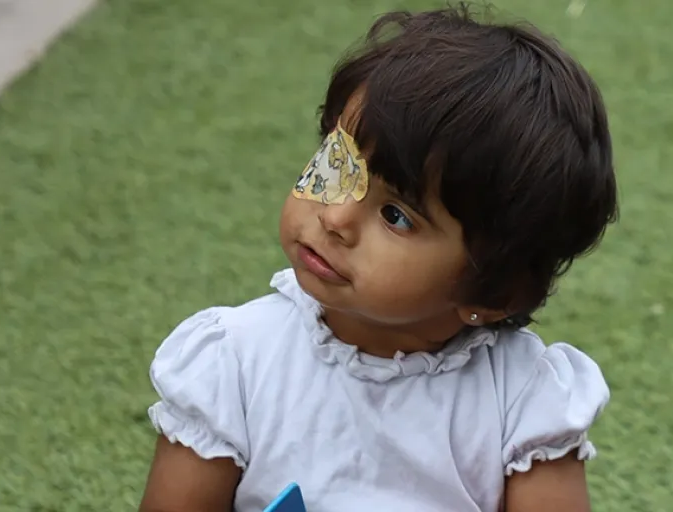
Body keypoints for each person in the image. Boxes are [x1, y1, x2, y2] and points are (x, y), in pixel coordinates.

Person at [137, 5, 619, 511]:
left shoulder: (521, 401)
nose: (336, 217)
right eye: (337, 163)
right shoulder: (234, 364)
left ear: (493, 292)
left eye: (396, 215)